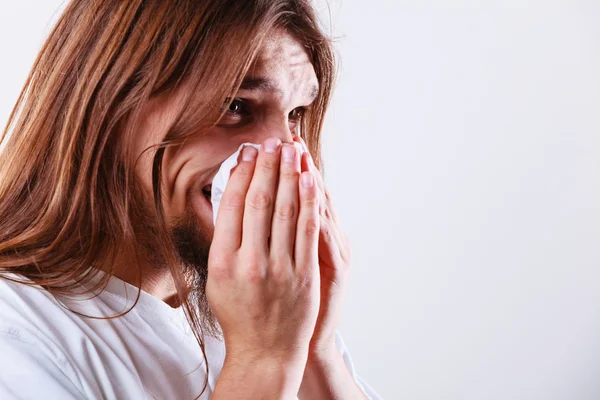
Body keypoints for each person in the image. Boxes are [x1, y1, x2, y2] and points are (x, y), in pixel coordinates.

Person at [0, 1, 381, 399]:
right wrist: (262, 359)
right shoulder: (16, 336)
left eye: (295, 113)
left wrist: (315, 351)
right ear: (108, 107)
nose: (285, 152)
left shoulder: (268, 311)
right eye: (235, 106)